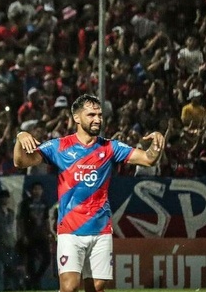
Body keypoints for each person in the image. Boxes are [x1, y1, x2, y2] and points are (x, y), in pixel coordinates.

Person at [13, 94, 165, 292]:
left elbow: (147, 159)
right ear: (76, 118)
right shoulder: (59, 146)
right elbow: (21, 162)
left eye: (100, 115)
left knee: (97, 288)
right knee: (69, 287)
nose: (98, 119)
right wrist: (20, 137)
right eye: (91, 114)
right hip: (70, 230)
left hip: (101, 230)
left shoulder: (110, 147)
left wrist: (157, 145)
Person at [20, 182, 51, 290]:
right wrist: (23, 235)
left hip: (42, 235)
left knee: (47, 258)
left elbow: (46, 219)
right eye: (35, 189)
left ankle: (35, 279)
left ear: (42, 191)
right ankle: (33, 283)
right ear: (32, 190)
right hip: (30, 235)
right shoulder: (26, 203)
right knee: (31, 261)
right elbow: (22, 220)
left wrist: (49, 232)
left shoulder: (44, 203)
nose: (37, 191)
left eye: (39, 189)